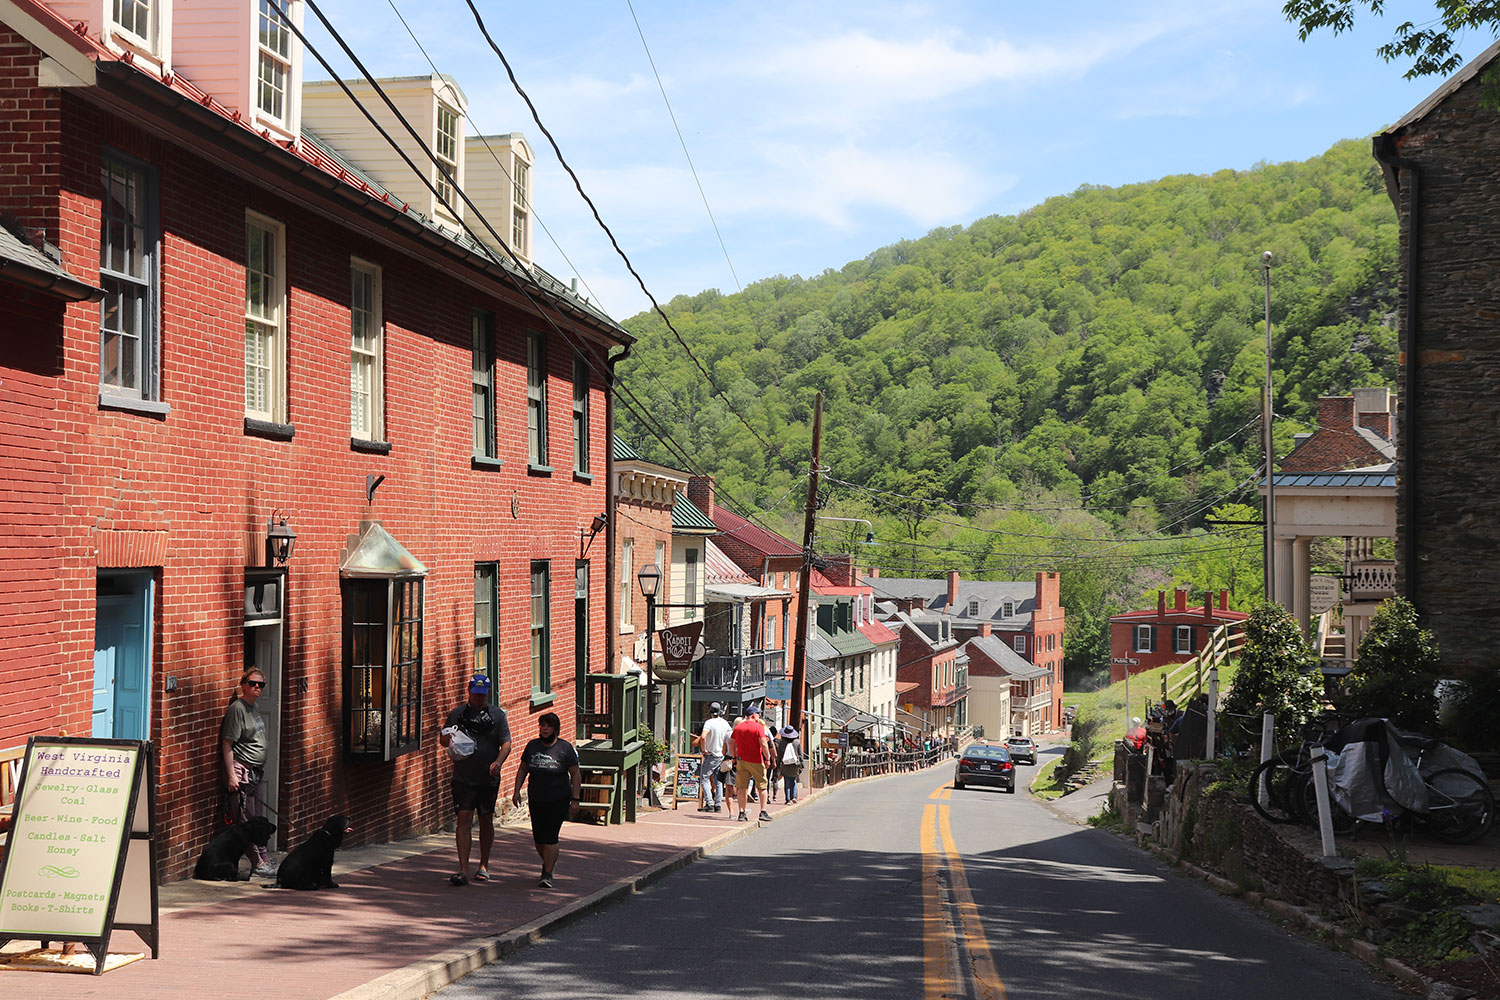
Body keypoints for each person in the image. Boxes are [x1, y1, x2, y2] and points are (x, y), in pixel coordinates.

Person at [440, 674, 511, 886]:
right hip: (463, 776)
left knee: (485, 819)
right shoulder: (457, 714)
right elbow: (442, 740)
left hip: (487, 777)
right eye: (475, 694)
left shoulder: (497, 716)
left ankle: (484, 865)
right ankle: (463, 869)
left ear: (487, 694)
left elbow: (506, 743)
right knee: (463, 818)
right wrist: (450, 738)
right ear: (469, 691)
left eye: (482, 695)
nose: (479, 698)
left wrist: (498, 762)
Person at [511, 711, 581, 889]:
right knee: (538, 838)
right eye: (542, 725)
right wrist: (516, 790)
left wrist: (575, 799)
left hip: (558, 798)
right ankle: (549, 861)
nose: (545, 729)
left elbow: (575, 774)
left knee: (550, 836)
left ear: (555, 729)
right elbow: (522, 769)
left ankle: (547, 873)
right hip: (536, 797)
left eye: (548, 726)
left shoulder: (565, 749)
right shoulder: (532, 746)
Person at [220, 667, 276, 878]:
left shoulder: (254, 707)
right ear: (243, 685)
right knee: (246, 821)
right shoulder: (238, 709)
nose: (257, 688)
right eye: (252, 683)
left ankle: (264, 858)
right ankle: (258, 862)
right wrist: (231, 776)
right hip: (242, 772)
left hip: (255, 773)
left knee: (258, 819)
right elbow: (227, 744)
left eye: (261, 684)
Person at [731, 708, 774, 823]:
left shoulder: (738, 727)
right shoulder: (758, 727)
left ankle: (741, 812)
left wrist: (734, 757)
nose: (759, 717)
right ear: (754, 715)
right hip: (756, 760)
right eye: (758, 714)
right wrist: (768, 758)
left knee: (741, 787)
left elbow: (732, 743)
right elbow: (764, 743)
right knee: (762, 786)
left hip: (741, 760)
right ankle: (763, 811)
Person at [698, 702, 733, 813]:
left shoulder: (709, 723)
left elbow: (703, 737)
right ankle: (718, 804)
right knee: (718, 780)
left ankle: (709, 803)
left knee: (704, 778)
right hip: (721, 754)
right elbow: (730, 736)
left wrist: (704, 750)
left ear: (710, 712)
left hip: (711, 754)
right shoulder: (724, 723)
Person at [775, 725, 803, 804]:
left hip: (785, 764)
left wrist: (778, 765)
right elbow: (800, 755)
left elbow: (779, 755)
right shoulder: (797, 742)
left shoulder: (781, 743)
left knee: (786, 782)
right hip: (794, 764)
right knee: (793, 781)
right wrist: (802, 765)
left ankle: (788, 799)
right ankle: (793, 796)